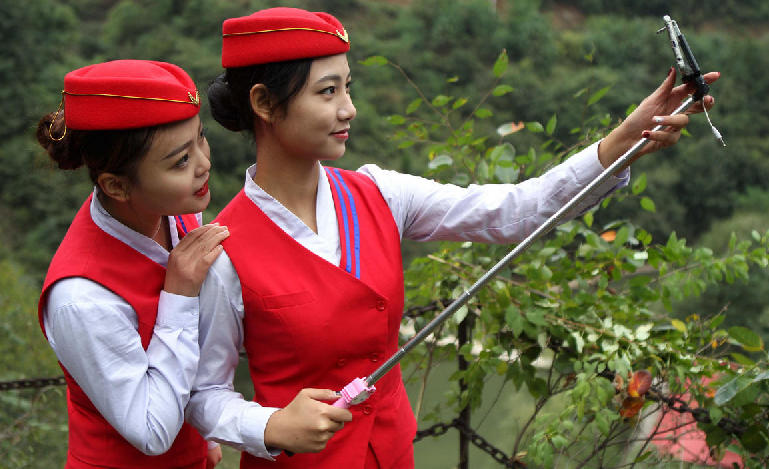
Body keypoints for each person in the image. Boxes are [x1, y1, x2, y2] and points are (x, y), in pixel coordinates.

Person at [185, 7, 719, 469]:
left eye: (348, 87)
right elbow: (204, 394)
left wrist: (623, 140)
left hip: (392, 450)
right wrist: (270, 425)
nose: (348, 108)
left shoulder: (379, 194)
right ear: (263, 103)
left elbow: (518, 211)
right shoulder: (226, 250)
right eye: (328, 92)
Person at [36, 59, 229, 469]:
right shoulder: (80, 297)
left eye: (201, 139)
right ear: (116, 185)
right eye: (180, 160)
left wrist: (205, 432)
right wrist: (178, 295)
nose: (203, 164)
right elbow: (151, 431)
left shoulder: (174, 211)